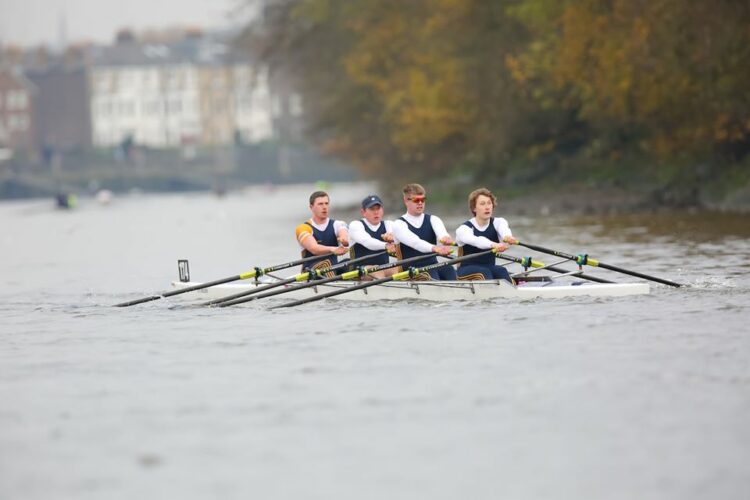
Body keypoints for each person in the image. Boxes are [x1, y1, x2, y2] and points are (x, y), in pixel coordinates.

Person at [392, 183, 457, 280]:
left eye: (422, 200)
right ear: (406, 201)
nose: (420, 203)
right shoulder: (399, 224)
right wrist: (435, 248)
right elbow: (415, 242)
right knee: (432, 275)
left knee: (450, 270)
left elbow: (442, 234)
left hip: (432, 265)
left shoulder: (433, 219)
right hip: (409, 271)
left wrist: (445, 239)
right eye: (416, 200)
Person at [454, 187, 519, 282]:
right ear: (474, 208)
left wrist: (508, 237)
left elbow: (504, 230)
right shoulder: (463, 229)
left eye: (489, 203)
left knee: (502, 270)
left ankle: (514, 295)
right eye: (482, 204)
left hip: (488, 267)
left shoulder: (499, 222)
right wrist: (494, 245)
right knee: (484, 273)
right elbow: (477, 241)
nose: (487, 207)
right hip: (465, 270)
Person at [295, 191, 349, 276]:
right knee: (326, 263)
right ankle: (334, 285)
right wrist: (333, 249)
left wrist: (344, 241)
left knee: (350, 262)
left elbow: (343, 233)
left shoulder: (338, 224)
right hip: (310, 272)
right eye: (320, 204)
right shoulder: (303, 228)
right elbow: (314, 249)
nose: (324, 207)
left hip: (332, 269)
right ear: (311, 207)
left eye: (326, 203)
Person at [348, 194, 398, 279]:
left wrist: (393, 238)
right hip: (359, 270)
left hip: (382, 268)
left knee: (399, 269)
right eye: (372, 209)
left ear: (382, 210)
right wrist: (386, 245)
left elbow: (402, 238)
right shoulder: (356, 225)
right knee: (377, 271)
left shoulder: (389, 224)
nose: (376, 212)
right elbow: (367, 241)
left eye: (378, 208)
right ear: (363, 212)